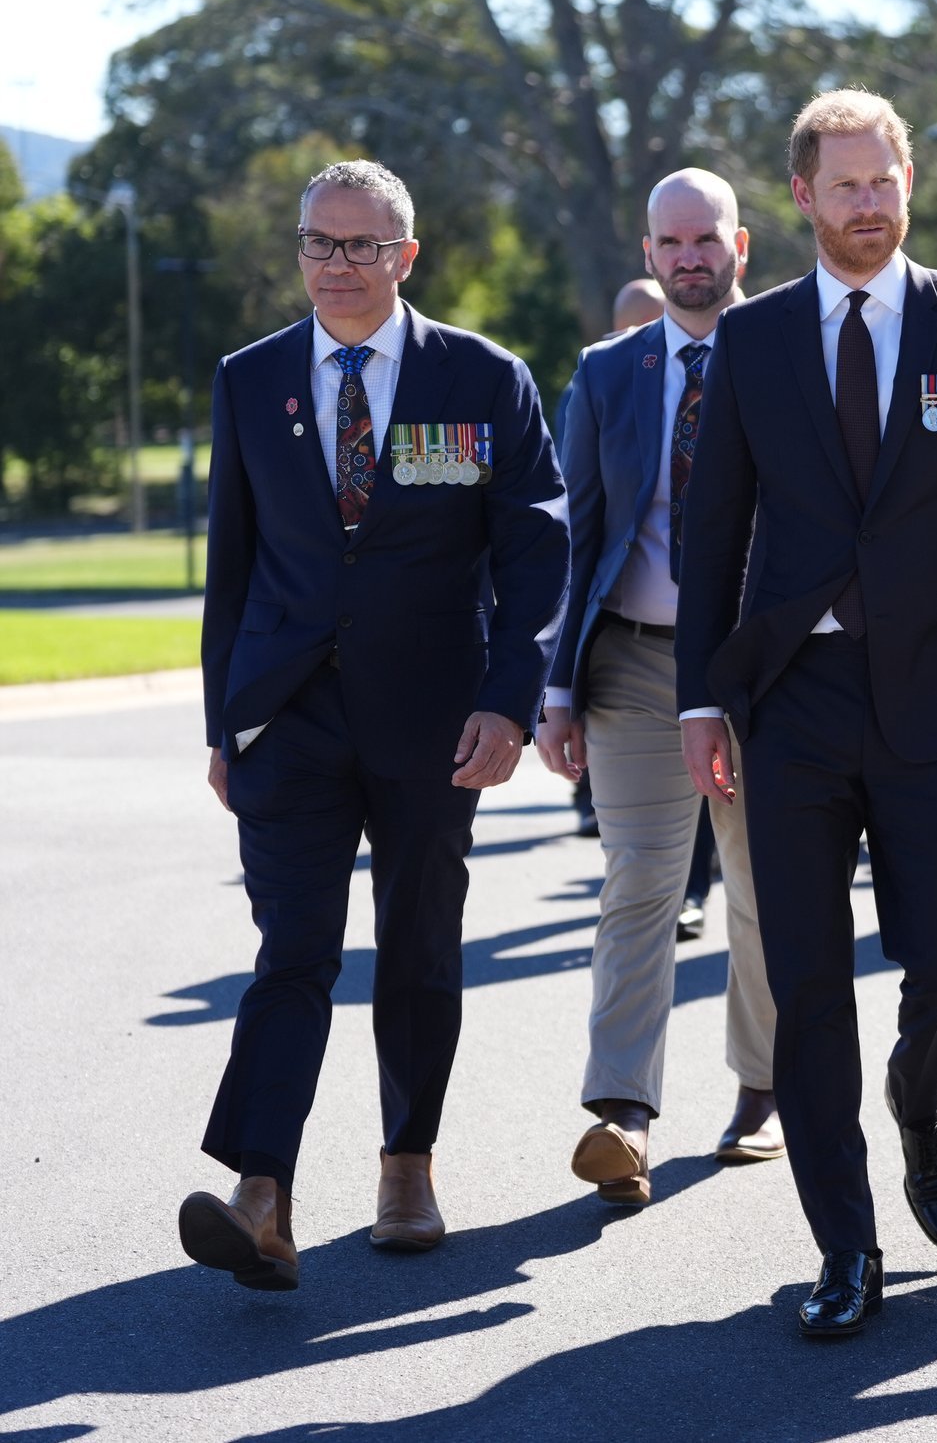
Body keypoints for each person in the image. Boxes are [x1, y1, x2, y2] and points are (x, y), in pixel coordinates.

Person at [674, 89, 937, 1338]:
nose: (867, 203)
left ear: (908, 183)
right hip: (792, 700)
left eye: (882, 180)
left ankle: (917, 1094)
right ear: (802, 196)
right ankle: (844, 1246)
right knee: (804, 982)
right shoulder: (753, 339)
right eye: (842, 185)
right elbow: (712, 530)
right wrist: (700, 697)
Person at [182, 159, 570, 1290]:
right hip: (287, 715)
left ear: (407, 255)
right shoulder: (250, 379)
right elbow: (231, 564)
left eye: (361, 246)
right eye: (319, 242)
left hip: (435, 718)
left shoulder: (483, 378)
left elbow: (535, 551)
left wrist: (508, 700)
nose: (337, 265)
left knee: (418, 945)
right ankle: (262, 1193)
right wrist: (223, 721)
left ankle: (408, 1164)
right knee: (292, 953)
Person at [536, 170, 785, 1205]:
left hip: (763, 664)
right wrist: (555, 686)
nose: (689, 258)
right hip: (634, 663)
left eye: (705, 239)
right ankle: (622, 1113)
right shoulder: (607, 373)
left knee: (763, 885)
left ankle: (762, 1089)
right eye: (670, 243)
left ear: (740, 246)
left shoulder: (790, 353)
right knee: (638, 880)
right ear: (648, 254)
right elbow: (574, 535)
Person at [555, 277, 668, 841]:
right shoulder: (597, 376)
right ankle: (587, 796)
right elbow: (577, 519)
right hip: (624, 635)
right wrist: (558, 684)